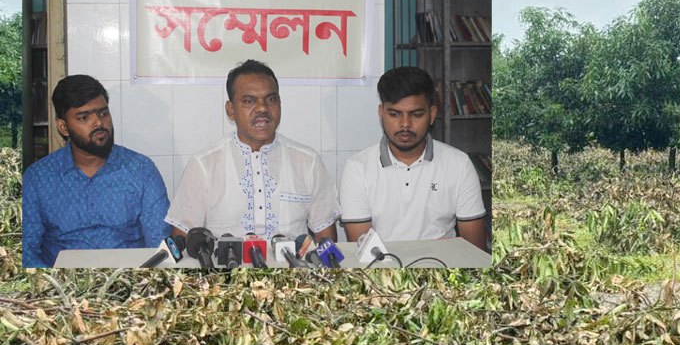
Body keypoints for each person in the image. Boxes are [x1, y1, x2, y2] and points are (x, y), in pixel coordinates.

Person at [166, 59, 338, 243]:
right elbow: (182, 240)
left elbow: (325, 236)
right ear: (231, 110)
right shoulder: (204, 165)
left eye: (271, 99)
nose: (263, 108)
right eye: (249, 101)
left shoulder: (307, 161)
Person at [21, 75, 170, 267]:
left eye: (103, 114)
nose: (98, 123)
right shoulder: (37, 178)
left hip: (131, 282)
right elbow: (27, 252)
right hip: (63, 287)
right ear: (63, 127)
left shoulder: (141, 170)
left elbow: (159, 244)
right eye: (84, 117)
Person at [339, 66, 487, 248]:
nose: (405, 124)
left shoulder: (459, 164)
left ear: (432, 115)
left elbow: (474, 249)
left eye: (416, 114)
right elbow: (362, 249)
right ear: (381, 114)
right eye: (394, 114)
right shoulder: (358, 168)